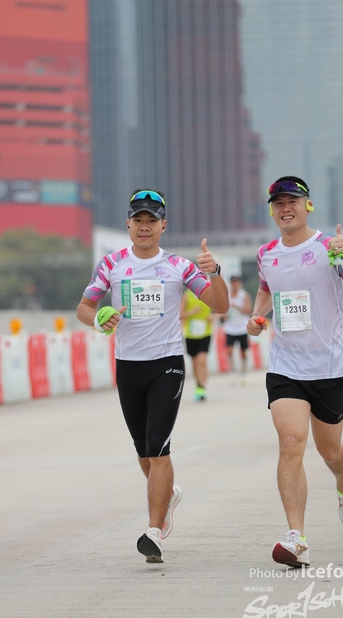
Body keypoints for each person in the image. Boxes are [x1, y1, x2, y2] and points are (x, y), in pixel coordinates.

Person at [77, 189, 229, 564]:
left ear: (163, 225)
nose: (144, 227)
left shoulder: (179, 266)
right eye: (138, 220)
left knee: (158, 447)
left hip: (167, 364)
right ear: (128, 224)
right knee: (143, 451)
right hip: (128, 365)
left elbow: (220, 306)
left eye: (151, 220)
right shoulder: (111, 264)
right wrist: (98, 318)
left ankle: (154, 532)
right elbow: (84, 307)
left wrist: (214, 273)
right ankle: (168, 494)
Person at [247, 176, 343, 568]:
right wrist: (256, 315)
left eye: (293, 201)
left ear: (307, 206)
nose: (286, 208)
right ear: (272, 211)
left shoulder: (329, 248)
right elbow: (266, 288)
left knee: (331, 451)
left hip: (331, 368)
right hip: (286, 366)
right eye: (279, 203)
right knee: (290, 442)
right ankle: (296, 539)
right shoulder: (266, 253)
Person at [180, 287, 214, 401]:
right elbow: (180, 314)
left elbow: (221, 308)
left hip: (205, 332)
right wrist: (191, 312)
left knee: (202, 360)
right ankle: (198, 384)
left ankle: (202, 387)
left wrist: (213, 317)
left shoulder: (209, 292)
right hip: (191, 334)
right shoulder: (187, 295)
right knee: (195, 362)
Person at [221, 275, 252, 384]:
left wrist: (237, 307)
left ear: (239, 283)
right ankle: (232, 370)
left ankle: (243, 372)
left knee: (243, 351)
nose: (235, 284)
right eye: (233, 282)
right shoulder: (227, 295)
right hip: (230, 327)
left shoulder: (244, 295)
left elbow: (248, 310)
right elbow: (223, 310)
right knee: (229, 350)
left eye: (236, 282)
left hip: (242, 327)